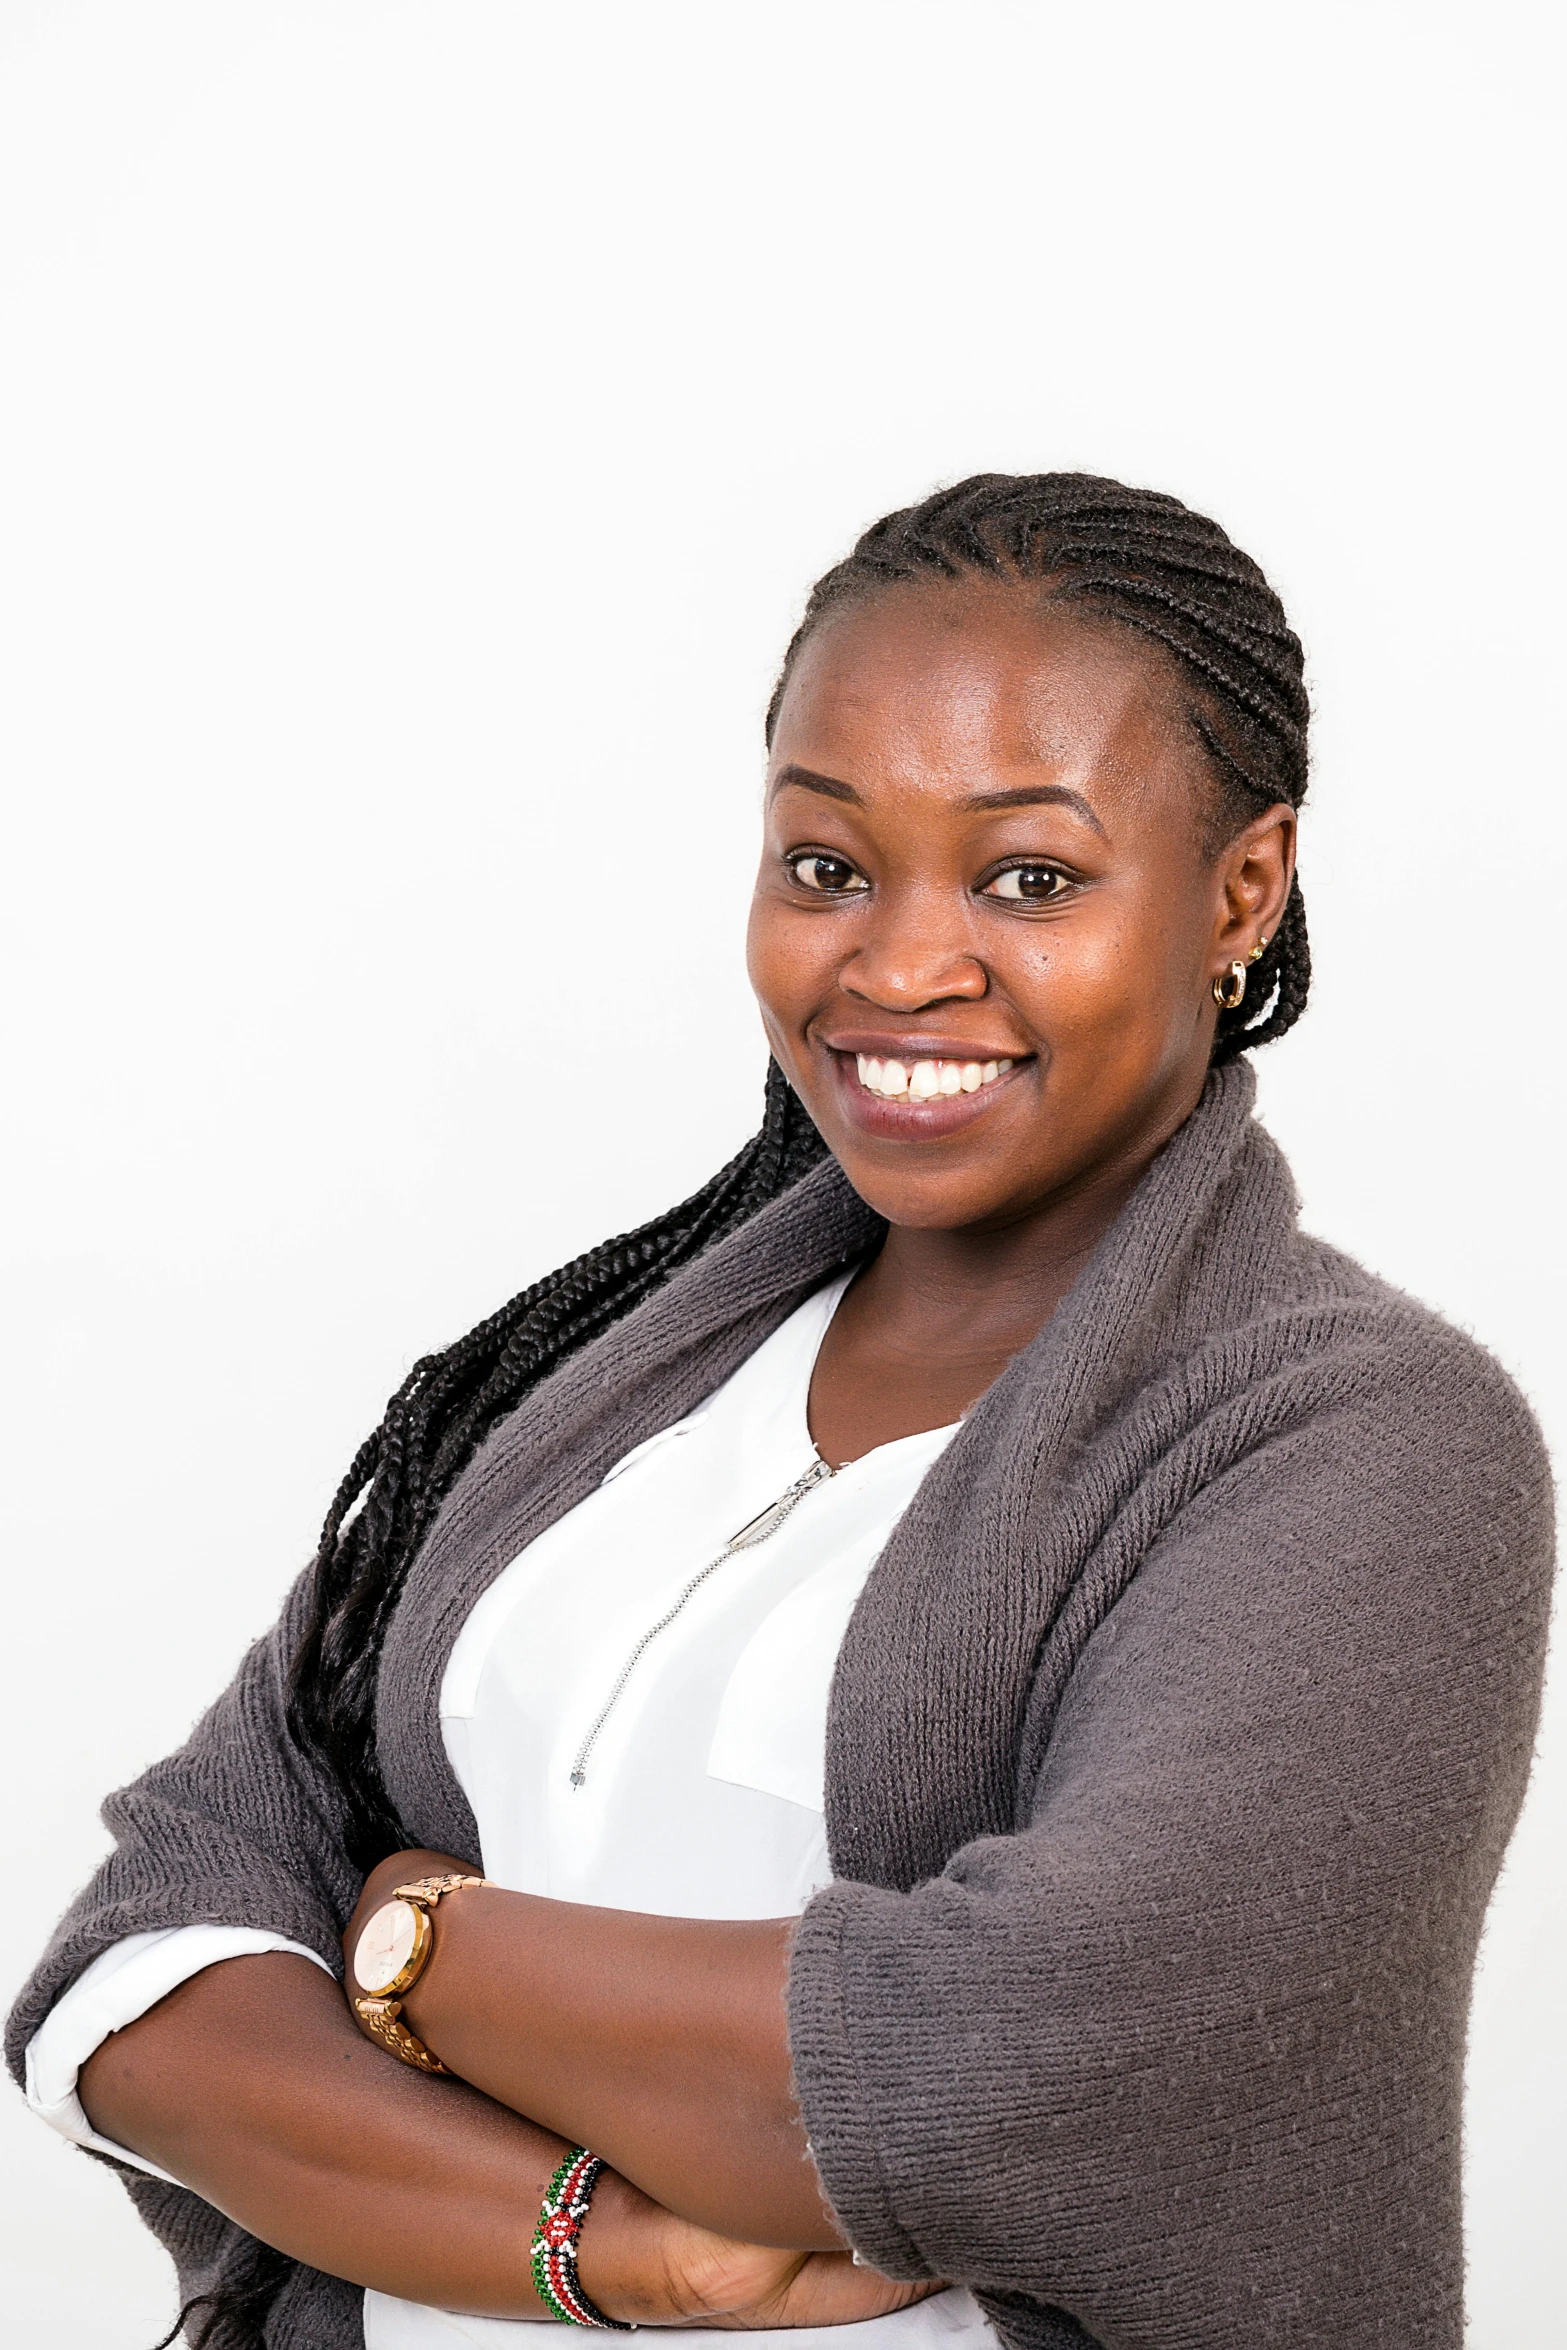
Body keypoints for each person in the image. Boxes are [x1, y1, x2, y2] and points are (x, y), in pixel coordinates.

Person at [6, 474, 1553, 2350]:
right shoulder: (598, 1380)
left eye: (1029, 877)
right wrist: (613, 2251)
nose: (897, 966)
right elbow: (142, 1945)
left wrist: (414, 1944)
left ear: (1242, 889)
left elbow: (1013, 2074)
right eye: (827, 865)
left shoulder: (1361, 1445)